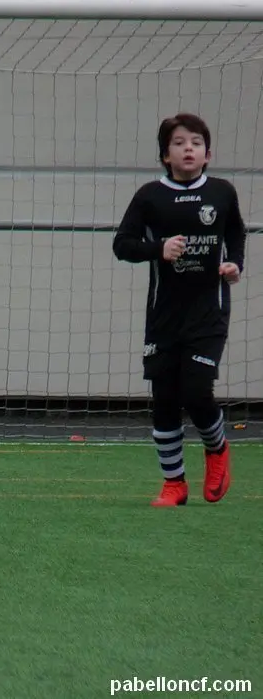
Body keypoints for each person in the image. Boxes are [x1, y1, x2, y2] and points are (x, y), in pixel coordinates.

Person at [112, 112, 246, 507]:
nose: (189, 149)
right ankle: (174, 484)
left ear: (208, 154)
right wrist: (158, 249)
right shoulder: (149, 196)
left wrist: (234, 264)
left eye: (196, 143)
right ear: (165, 155)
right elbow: (123, 244)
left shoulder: (222, 193)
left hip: (208, 311)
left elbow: (235, 232)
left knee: (197, 391)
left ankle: (217, 450)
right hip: (164, 315)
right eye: (179, 143)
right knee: (165, 398)